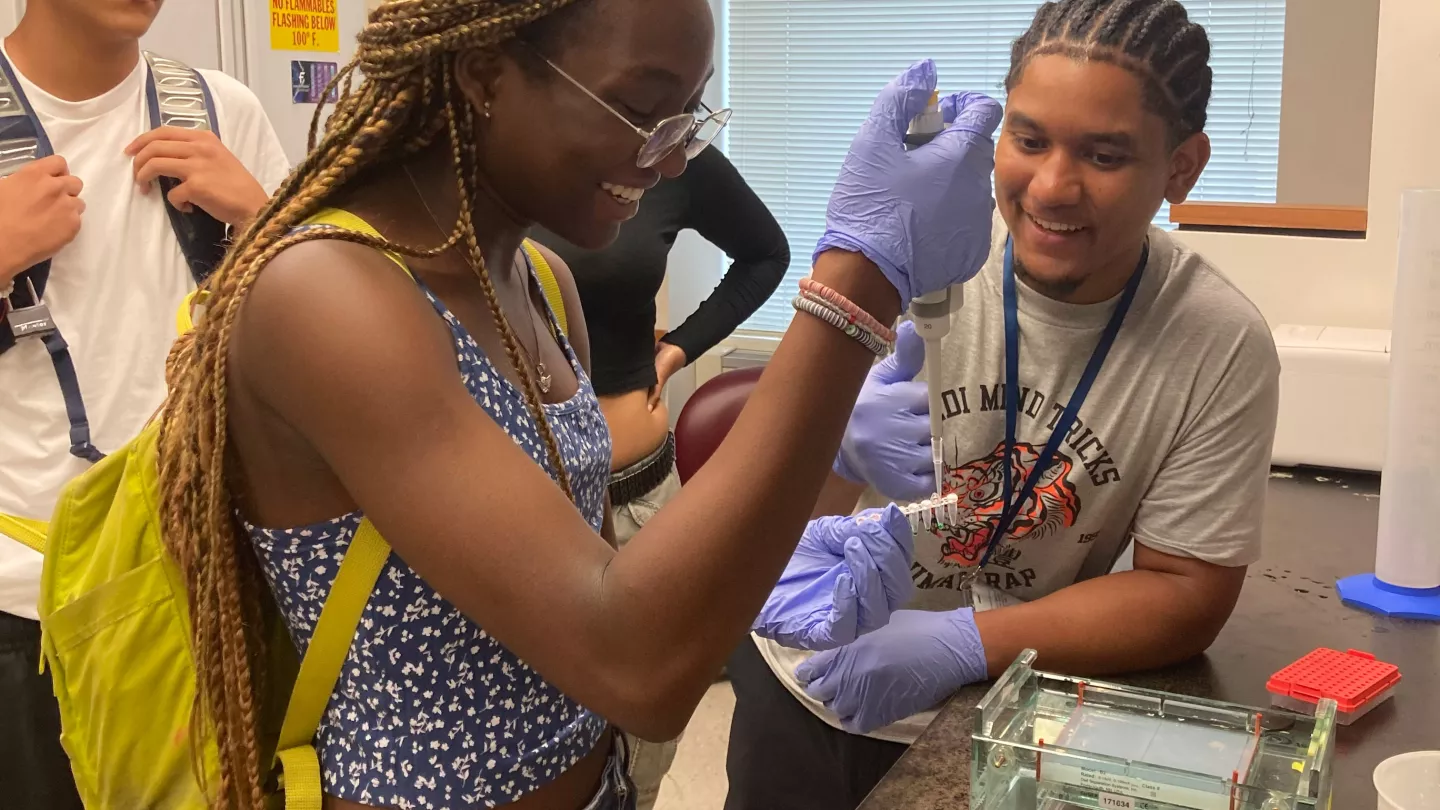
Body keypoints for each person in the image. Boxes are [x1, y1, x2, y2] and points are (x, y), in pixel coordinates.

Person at [154, 0, 1003, 807]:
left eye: (690, 117)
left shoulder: (541, 284)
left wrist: (790, 533)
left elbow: (615, 584)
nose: (672, 160)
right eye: (644, 108)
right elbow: (637, 671)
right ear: (486, 74)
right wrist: (856, 286)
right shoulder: (327, 295)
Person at [725, 1, 1282, 808]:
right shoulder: (914, 252)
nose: (1053, 187)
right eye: (1028, 141)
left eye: (1104, 153)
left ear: (1181, 168)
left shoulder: (1216, 342)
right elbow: (764, 526)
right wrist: (831, 449)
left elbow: (1184, 591)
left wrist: (966, 641)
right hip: (802, 684)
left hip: (1007, 714)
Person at [0, 0, 290, 805]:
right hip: (25, 607)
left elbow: (309, 351)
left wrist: (265, 220)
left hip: (208, 584)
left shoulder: (223, 111)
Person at [529, 120, 789, 808]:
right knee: (537, 757)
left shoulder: (670, 161)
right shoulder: (484, 170)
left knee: (640, 758)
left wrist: (677, 349)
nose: (676, 147)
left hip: (642, 499)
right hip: (523, 520)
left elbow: (766, 254)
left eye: (691, 109)